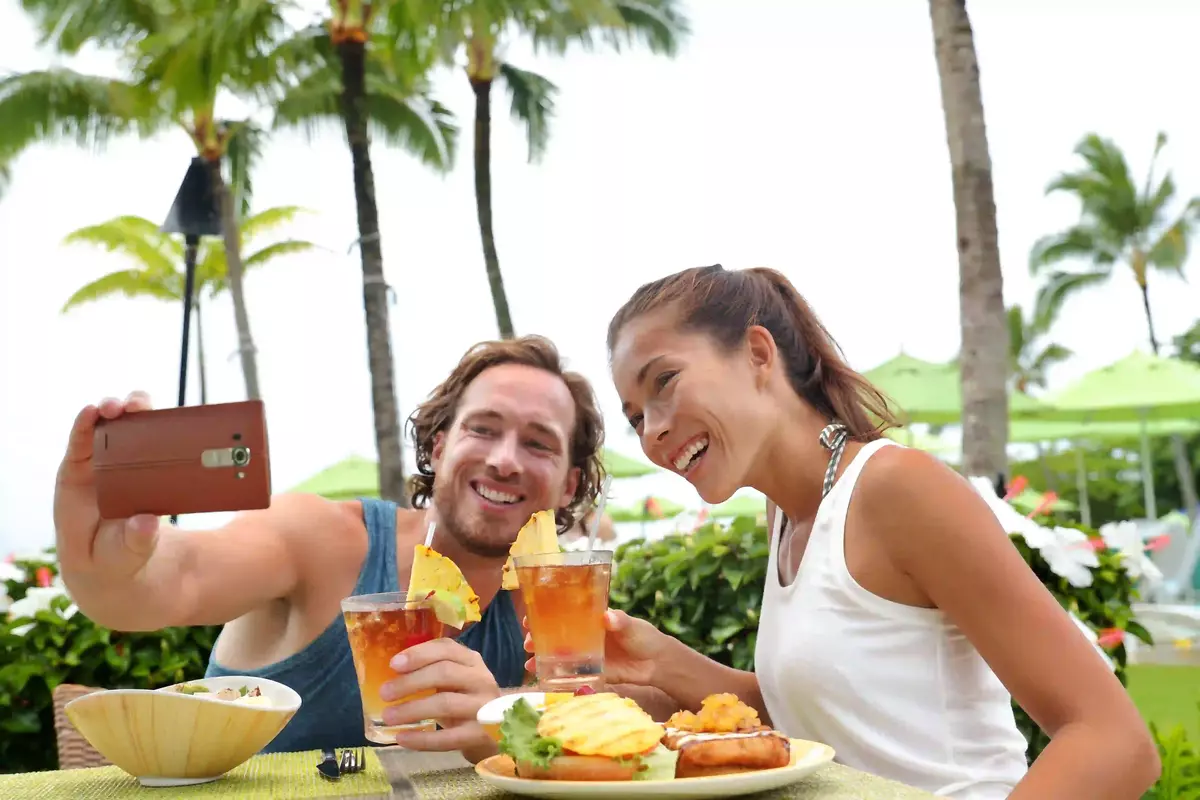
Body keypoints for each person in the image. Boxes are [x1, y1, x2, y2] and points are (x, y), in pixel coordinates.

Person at [572, 264, 1159, 799]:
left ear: (756, 352)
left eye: (665, 381)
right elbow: (824, 726)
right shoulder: (787, 518)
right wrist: (663, 662)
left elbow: (1114, 743)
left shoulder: (896, 489)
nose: (651, 433)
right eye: (635, 418)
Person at [53, 335, 610, 761]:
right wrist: (107, 562)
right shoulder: (322, 538)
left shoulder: (554, 605)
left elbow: (598, 737)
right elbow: (174, 578)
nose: (505, 459)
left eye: (538, 443)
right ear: (439, 448)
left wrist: (506, 725)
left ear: (568, 484)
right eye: (483, 429)